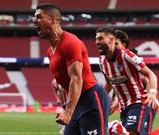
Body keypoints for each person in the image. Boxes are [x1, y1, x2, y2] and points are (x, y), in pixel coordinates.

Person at [33, 3, 110, 135]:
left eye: (39, 17)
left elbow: (77, 79)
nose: (34, 21)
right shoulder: (50, 51)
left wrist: (68, 112)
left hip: (91, 99)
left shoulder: (70, 42)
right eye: (34, 18)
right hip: (76, 103)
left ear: (54, 20)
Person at [95, 27, 159, 135]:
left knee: (129, 133)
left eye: (100, 38)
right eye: (96, 39)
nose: (97, 42)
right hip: (123, 107)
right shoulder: (102, 62)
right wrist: (98, 100)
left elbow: (151, 74)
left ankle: (113, 127)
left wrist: (152, 93)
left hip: (138, 102)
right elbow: (110, 84)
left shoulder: (126, 55)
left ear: (111, 40)